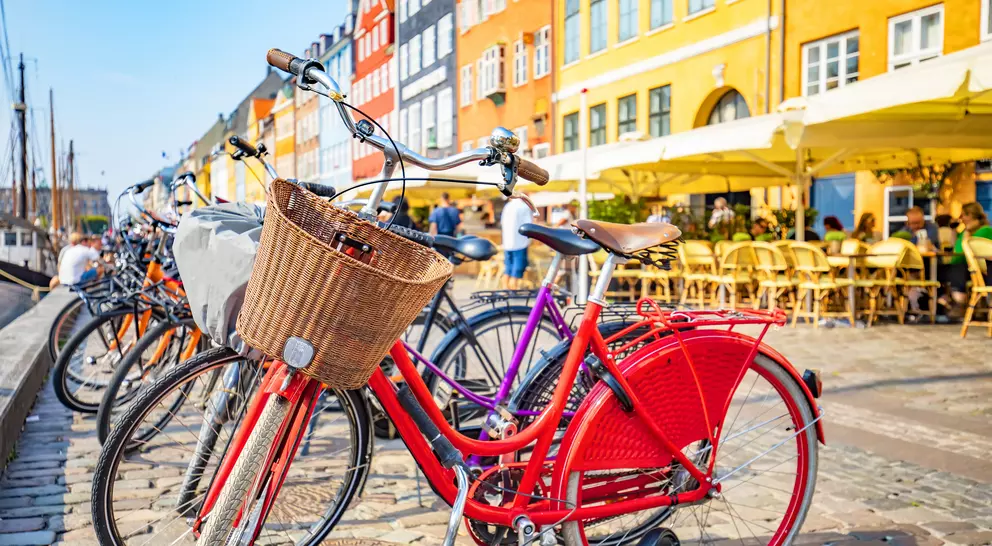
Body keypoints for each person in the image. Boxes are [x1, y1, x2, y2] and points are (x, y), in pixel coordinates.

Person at [940, 202, 992, 313]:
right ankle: (946, 299)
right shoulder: (965, 232)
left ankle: (958, 301)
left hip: (979, 269)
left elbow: (965, 253)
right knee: (939, 269)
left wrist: (967, 233)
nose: (961, 218)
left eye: (963, 215)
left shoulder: (985, 230)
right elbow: (955, 250)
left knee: (957, 268)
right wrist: (954, 230)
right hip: (963, 266)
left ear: (972, 215)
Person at [500, 195, 533, 289]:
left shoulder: (507, 206)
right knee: (518, 265)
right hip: (520, 241)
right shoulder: (524, 207)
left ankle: (505, 287)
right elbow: (528, 225)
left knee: (508, 265)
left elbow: (502, 222)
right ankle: (513, 286)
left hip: (507, 241)